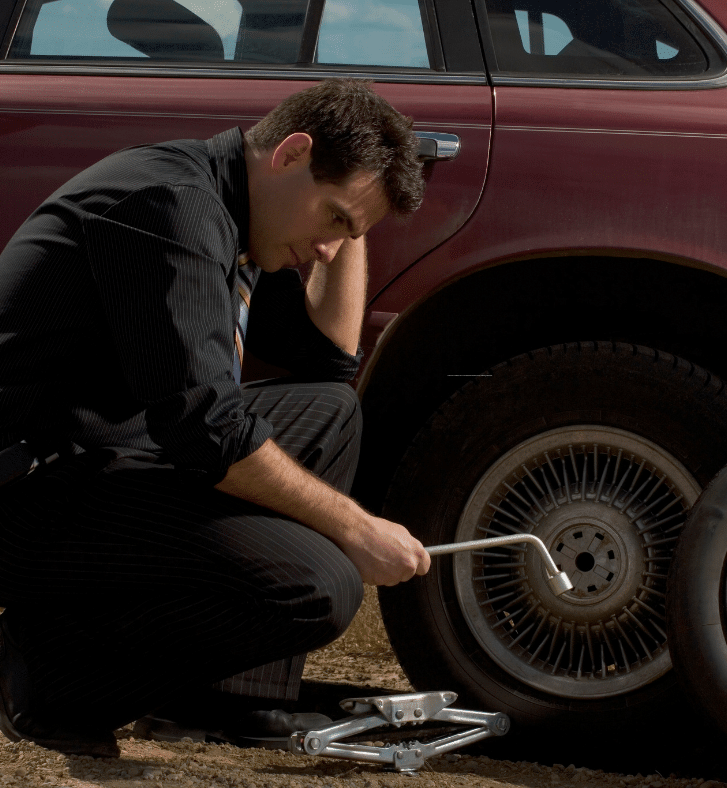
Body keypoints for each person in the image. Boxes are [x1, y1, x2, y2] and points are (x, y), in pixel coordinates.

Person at [0, 78, 431, 758]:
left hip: (101, 457)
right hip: (24, 489)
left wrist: (356, 220)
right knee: (318, 586)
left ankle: (230, 697)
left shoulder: (233, 210)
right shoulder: (170, 206)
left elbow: (328, 360)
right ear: (291, 154)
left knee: (328, 412)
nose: (328, 249)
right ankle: (49, 669)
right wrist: (356, 527)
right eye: (335, 218)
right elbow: (208, 432)